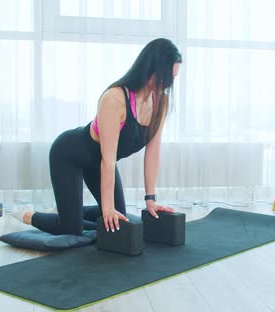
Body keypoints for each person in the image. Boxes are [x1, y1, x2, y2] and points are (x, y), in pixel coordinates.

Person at [12, 38, 182, 235]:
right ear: (152, 69)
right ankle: (27, 215)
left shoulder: (161, 101)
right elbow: (108, 160)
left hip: (100, 162)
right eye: (167, 76)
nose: (169, 84)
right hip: (69, 154)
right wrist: (107, 208)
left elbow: (153, 153)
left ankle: (70, 208)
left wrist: (150, 199)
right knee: (71, 229)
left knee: (120, 216)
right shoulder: (115, 98)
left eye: (173, 78)